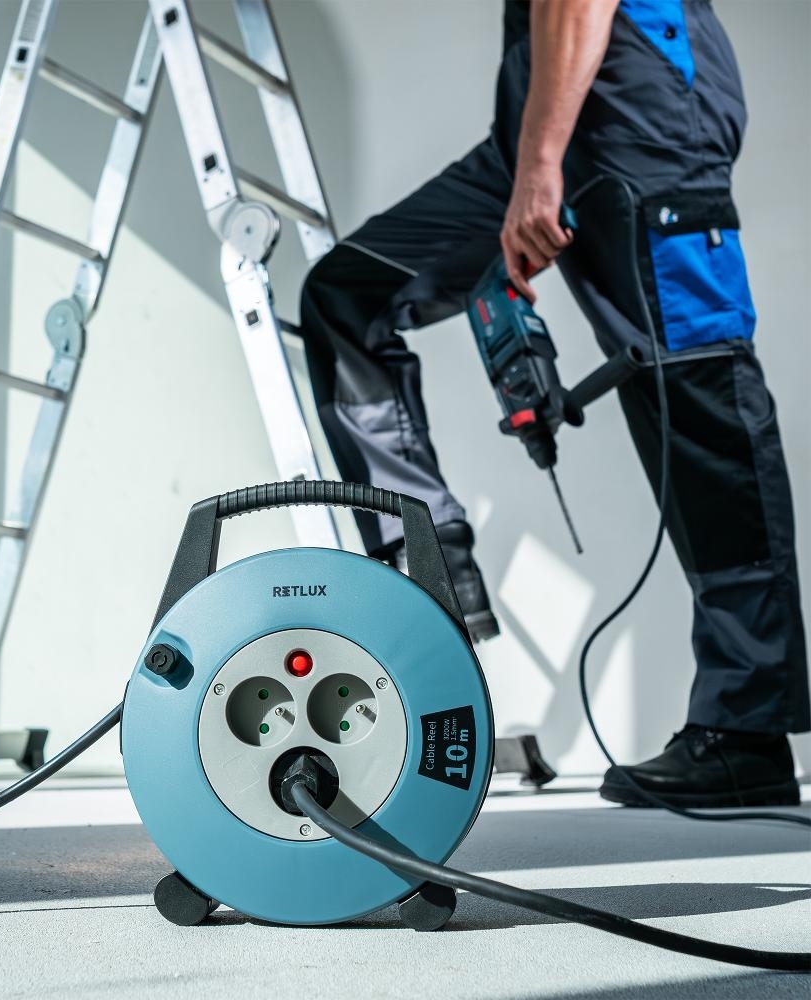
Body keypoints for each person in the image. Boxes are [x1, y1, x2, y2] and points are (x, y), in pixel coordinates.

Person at [298, 0, 809, 808]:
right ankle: (430, 561)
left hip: (640, 124)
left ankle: (747, 732)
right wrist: (532, 154)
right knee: (348, 293)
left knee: (699, 397)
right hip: (542, 124)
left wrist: (541, 167)